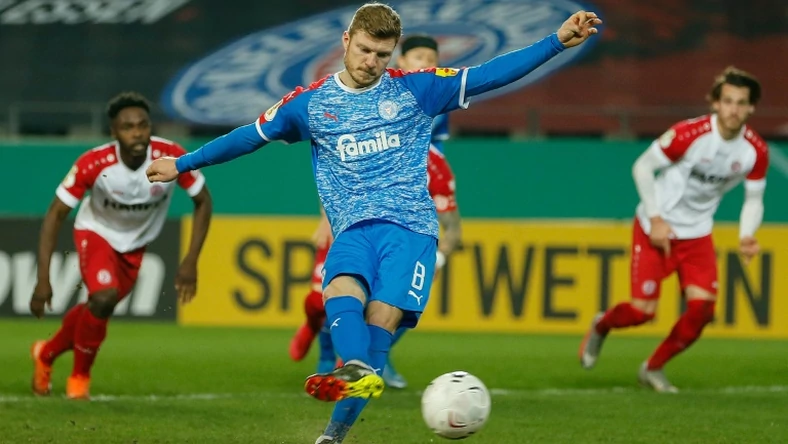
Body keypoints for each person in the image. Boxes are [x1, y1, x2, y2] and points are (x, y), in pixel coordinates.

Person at [147, 3, 600, 442]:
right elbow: (250, 136)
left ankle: (335, 428)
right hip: (352, 228)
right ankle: (353, 376)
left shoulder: (417, 89)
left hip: (410, 230)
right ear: (346, 40)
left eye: (382, 54)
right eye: (364, 50)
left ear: (395, 51)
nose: (371, 62)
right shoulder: (309, 104)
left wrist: (557, 42)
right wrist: (183, 163)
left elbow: (489, 74)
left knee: (381, 316)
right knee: (339, 290)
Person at [288, 34, 463, 390]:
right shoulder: (376, 96)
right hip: (352, 220)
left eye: (431, 57)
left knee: (387, 307)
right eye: (418, 58)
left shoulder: (431, 97)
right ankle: (321, 341)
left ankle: (351, 363)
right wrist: (326, 216)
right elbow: (339, 159)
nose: (424, 64)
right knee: (321, 300)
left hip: (402, 218)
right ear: (401, 61)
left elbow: (453, 226)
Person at [579, 66, 769, 393]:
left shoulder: (755, 152)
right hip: (656, 226)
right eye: (728, 101)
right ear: (715, 103)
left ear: (751, 108)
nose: (734, 109)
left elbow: (754, 199)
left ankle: (652, 368)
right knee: (642, 312)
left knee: (702, 310)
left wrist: (747, 235)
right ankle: (601, 324)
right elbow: (642, 166)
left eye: (741, 103)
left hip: (696, 234)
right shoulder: (689, 135)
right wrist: (655, 218)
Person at [29, 92, 213, 400]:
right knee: (103, 297)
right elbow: (55, 215)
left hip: (135, 245)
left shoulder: (171, 157)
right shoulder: (94, 163)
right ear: (114, 132)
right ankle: (79, 380)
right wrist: (43, 279)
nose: (137, 132)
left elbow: (203, 200)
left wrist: (191, 261)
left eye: (143, 125)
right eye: (128, 127)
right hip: (96, 232)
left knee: (98, 307)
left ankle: (45, 354)